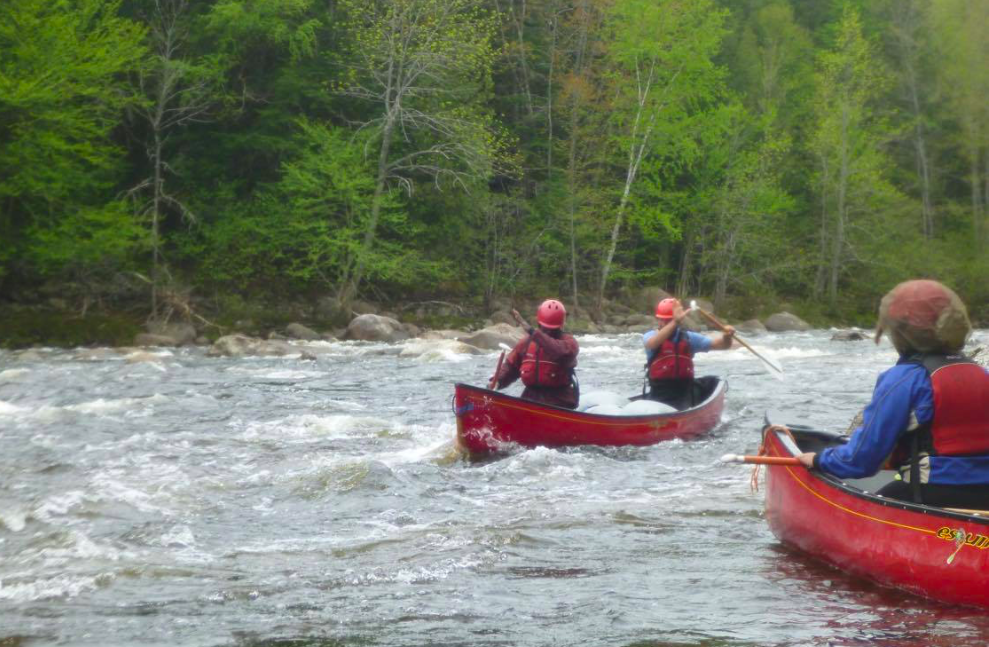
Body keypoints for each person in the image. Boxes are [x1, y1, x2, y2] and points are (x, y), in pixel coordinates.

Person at [797, 279, 989, 508]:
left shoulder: (904, 379)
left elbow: (861, 460)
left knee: (861, 508)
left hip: (931, 491)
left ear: (902, 332)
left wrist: (819, 460)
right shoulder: (981, 373)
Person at [643, 298, 735, 409]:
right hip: (659, 395)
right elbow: (652, 344)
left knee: (710, 382)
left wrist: (727, 337)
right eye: (661, 319)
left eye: (668, 320)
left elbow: (722, 346)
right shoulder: (650, 336)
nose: (663, 323)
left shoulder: (689, 338)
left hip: (683, 394)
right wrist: (675, 321)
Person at [491, 299, 580, 409]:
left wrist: (533, 332)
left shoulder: (569, 342)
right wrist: (497, 381)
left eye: (552, 329)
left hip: (560, 401)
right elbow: (511, 367)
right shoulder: (526, 343)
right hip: (531, 398)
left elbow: (560, 352)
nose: (548, 331)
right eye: (545, 328)